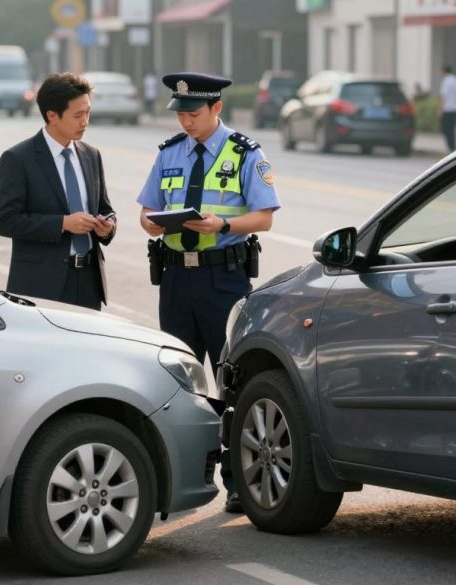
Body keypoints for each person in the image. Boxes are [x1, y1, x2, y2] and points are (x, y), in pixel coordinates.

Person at [136, 72, 280, 513]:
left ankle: (237, 480)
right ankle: (176, 480)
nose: (185, 121)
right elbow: (145, 212)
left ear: (216, 109)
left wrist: (222, 225)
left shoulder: (244, 154)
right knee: (175, 381)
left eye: (193, 114)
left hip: (224, 279)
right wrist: (154, 222)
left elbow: (264, 217)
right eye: (179, 113)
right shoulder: (169, 154)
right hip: (177, 278)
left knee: (230, 383)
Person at [0, 72, 116, 310]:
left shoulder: (91, 155)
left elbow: (105, 209)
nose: (85, 121)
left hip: (89, 280)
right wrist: (62, 223)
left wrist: (108, 226)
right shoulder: (18, 159)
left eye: (88, 112)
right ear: (52, 115)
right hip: (42, 284)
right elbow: (5, 221)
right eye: (78, 115)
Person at [439, 65, 456, 152]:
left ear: (444, 71)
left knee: (446, 129)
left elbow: (444, 96)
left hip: (447, 109)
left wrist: (440, 109)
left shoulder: (446, 81)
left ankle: (450, 147)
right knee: (452, 129)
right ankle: (453, 146)